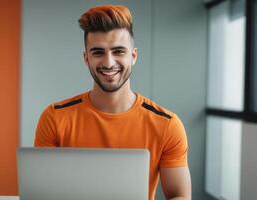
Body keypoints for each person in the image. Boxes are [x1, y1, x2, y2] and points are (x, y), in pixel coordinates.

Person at [34, 4, 191, 200]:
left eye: (118, 51)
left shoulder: (167, 125)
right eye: (98, 52)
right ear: (86, 58)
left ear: (133, 56)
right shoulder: (54, 118)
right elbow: (41, 193)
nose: (109, 63)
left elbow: (180, 196)